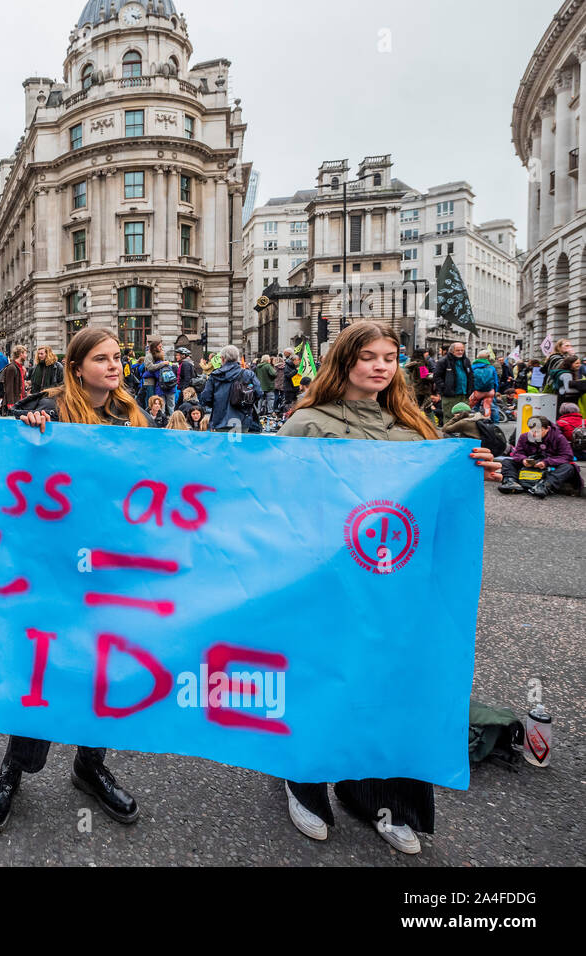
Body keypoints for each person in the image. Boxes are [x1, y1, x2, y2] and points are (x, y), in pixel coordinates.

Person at [279, 321, 496, 855]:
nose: (381, 366)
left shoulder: (414, 428)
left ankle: (382, 797)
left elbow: (435, 504)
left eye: (390, 357)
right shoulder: (306, 424)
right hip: (326, 582)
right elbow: (271, 500)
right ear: (345, 362)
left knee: (389, 685)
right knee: (324, 676)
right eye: (369, 356)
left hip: (394, 585)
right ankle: (302, 780)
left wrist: (474, 471)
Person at [0, 328, 147, 835]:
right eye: (102, 358)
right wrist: (26, 428)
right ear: (77, 367)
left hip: (110, 566)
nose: (114, 366)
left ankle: (90, 763)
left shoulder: (134, 417)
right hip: (53, 567)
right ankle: (14, 768)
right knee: (44, 667)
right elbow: (10, 471)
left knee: (101, 666)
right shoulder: (47, 410)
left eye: (118, 358)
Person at [499, 416, 582, 498]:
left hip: (550, 466)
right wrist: (523, 460)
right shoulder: (524, 437)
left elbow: (567, 456)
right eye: (532, 431)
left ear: (547, 429)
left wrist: (546, 462)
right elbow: (517, 453)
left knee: (569, 467)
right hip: (531, 465)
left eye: (538, 431)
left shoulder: (559, 438)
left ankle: (545, 486)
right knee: (507, 461)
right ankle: (511, 482)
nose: (534, 434)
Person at [201, 345, 261, 433]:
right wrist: (246, 402)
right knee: (240, 445)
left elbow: (206, 398)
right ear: (237, 358)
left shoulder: (214, 376)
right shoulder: (248, 374)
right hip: (242, 419)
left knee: (223, 445)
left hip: (220, 420)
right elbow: (259, 393)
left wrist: (217, 405)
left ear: (222, 358)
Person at [434, 342, 473, 419]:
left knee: (464, 416)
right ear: (452, 351)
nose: (460, 352)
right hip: (450, 395)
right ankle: (447, 430)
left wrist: (471, 389)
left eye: (462, 350)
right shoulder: (443, 361)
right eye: (458, 350)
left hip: (464, 394)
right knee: (449, 416)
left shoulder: (466, 360)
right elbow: (436, 376)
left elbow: (471, 375)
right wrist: (444, 388)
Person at [469, 349, 499, 418]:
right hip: (489, 391)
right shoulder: (491, 368)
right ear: (488, 358)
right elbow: (495, 381)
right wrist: (495, 390)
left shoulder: (473, 367)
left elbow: (470, 380)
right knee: (490, 407)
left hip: (477, 391)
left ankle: (473, 421)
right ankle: (493, 423)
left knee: (473, 407)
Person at [1, 345, 28, 412]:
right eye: (25, 353)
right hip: (14, 402)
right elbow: (9, 387)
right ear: (21, 354)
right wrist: (10, 404)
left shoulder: (20, 367)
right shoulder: (12, 367)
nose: (26, 355)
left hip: (20, 400)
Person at [279, 348, 300, 414]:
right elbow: (288, 375)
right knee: (288, 403)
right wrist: (296, 371)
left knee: (295, 402)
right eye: (297, 360)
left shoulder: (295, 366)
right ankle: (286, 414)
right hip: (289, 388)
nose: (298, 362)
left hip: (295, 387)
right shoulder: (287, 366)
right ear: (293, 361)